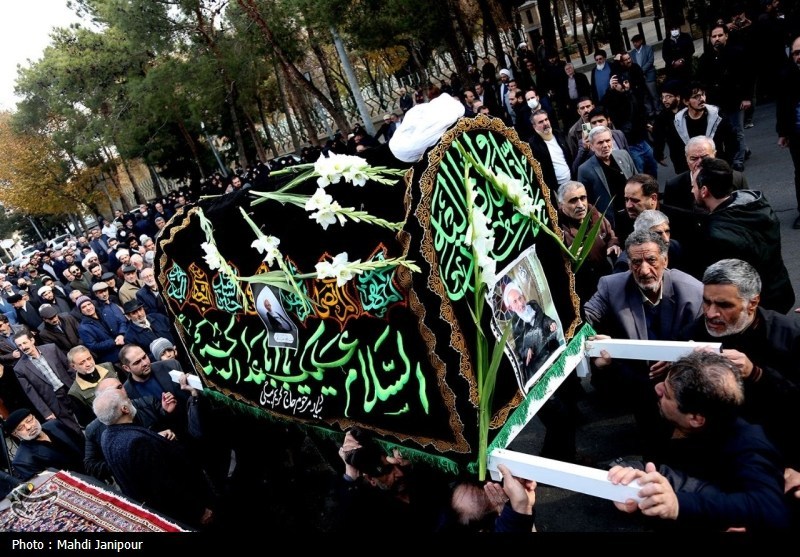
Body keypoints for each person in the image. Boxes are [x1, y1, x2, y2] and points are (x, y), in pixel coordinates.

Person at [608, 351, 790, 531]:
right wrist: (632, 475)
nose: (657, 388)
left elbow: (769, 508)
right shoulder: (669, 413)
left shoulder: (749, 445)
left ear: (695, 419)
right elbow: (635, 389)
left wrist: (677, 504)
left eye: (667, 394)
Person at [584, 230, 703, 458]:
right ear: (628, 263)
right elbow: (585, 318)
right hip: (640, 382)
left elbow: (705, 340)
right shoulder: (611, 285)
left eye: (651, 260)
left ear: (665, 260)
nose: (644, 270)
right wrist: (595, 343)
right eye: (636, 262)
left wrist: (676, 361)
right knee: (653, 441)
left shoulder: (693, 292)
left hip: (682, 383)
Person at [676, 259, 800, 471]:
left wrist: (757, 374)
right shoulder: (691, 335)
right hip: (713, 450)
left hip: (779, 450)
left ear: (752, 303)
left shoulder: (790, 335)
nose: (711, 313)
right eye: (706, 302)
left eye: (724, 305)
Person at [93, 388, 214, 528]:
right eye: (127, 399)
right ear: (124, 409)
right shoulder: (138, 443)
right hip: (186, 510)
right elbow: (165, 486)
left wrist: (155, 439)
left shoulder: (107, 436)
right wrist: (198, 511)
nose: (131, 401)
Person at [687, 157, 794, 313]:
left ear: (704, 191)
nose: (692, 190)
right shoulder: (757, 204)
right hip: (781, 291)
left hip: (755, 307)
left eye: (694, 186)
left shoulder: (715, 235)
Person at [556, 181, 619, 303]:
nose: (580, 205)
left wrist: (613, 245)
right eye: (573, 201)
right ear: (561, 205)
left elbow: (611, 236)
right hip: (583, 292)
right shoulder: (558, 229)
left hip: (606, 281)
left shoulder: (595, 215)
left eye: (583, 198)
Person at [13, 329, 81, 434]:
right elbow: (32, 394)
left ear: (32, 340)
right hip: (54, 400)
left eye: (24, 343)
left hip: (71, 389)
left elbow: (69, 369)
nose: (23, 347)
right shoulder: (19, 368)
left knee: (87, 418)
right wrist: (46, 412)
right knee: (73, 430)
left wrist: (80, 386)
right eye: (19, 345)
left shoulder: (51, 348)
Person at [576, 125, 637, 226]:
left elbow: (637, 180)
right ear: (591, 146)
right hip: (610, 221)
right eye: (600, 142)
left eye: (608, 140)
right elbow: (587, 201)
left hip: (634, 212)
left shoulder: (623, 155)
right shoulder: (584, 169)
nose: (605, 145)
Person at [2, 408, 85, 481]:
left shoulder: (54, 425)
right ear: (15, 434)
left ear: (34, 417)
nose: (28, 427)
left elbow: (82, 443)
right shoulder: (22, 461)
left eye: (29, 421)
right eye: (21, 428)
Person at [503, 282, 560, 386]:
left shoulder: (533, 305)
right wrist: (526, 350)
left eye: (520, 298)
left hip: (548, 344)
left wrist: (550, 323)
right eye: (515, 302)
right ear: (511, 308)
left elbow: (543, 318)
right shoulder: (515, 324)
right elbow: (519, 346)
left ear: (523, 297)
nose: (520, 303)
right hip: (537, 357)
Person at [776, 34, 800, 229]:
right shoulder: (787, 76)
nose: (799, 56)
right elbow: (782, 106)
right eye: (796, 53)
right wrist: (782, 133)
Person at [66, 344, 118, 427]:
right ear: (73, 367)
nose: (88, 364)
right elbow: (85, 422)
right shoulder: (75, 392)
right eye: (82, 363)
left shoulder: (109, 367)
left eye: (89, 358)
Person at [527, 109, 573, 190]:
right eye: (541, 122)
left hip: (571, 181)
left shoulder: (558, 135)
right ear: (534, 126)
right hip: (555, 188)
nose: (545, 123)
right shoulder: (533, 145)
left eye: (546, 119)